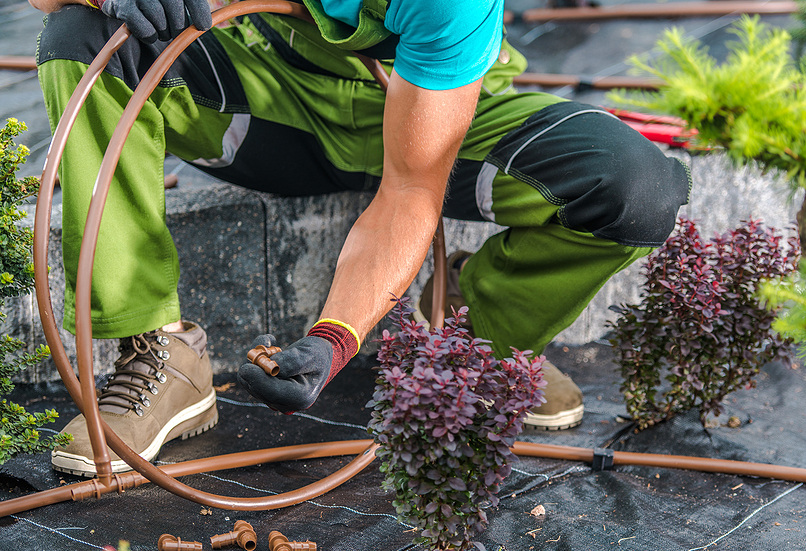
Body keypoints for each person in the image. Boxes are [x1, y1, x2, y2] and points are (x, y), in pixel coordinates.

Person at [30, 0, 691, 477]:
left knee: (636, 186)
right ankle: (160, 351)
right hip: (267, 114)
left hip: (431, 124)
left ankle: (475, 333)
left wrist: (333, 338)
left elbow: (409, 192)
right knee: (78, 34)